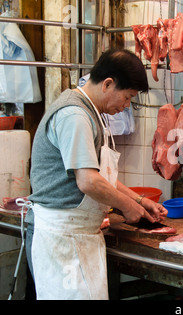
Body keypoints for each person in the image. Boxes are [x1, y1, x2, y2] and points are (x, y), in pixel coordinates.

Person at [25, 48, 167, 300]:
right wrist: (126, 206)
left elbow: (101, 176)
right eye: (127, 98)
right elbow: (88, 181)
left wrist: (139, 201)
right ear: (108, 84)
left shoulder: (90, 112)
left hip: (77, 233)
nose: (125, 107)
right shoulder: (75, 115)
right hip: (61, 235)